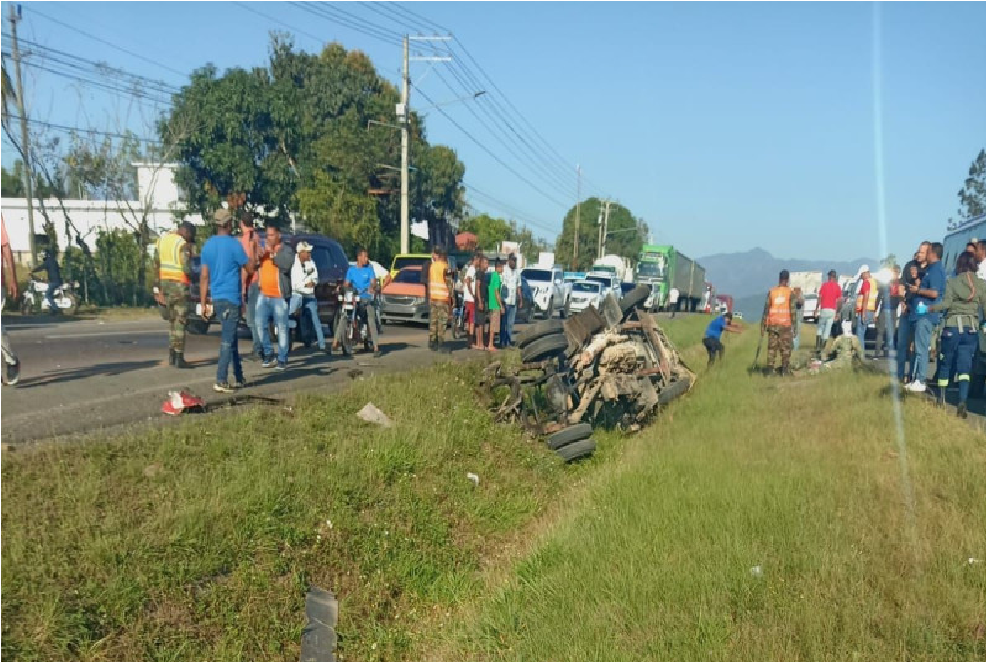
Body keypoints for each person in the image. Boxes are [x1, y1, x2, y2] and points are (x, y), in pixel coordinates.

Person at [200, 209, 255, 393]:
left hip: (217, 298)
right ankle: (221, 379)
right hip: (231, 297)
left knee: (231, 338)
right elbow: (250, 267)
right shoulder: (234, 245)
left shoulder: (207, 245)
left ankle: (238, 375)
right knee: (227, 339)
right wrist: (253, 248)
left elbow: (204, 277)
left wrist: (204, 302)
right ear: (229, 224)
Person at [931, 252, 986, 417]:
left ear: (959, 264)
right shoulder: (982, 284)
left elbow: (946, 304)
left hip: (952, 328)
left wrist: (929, 308)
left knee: (946, 363)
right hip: (971, 329)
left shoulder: (952, 282)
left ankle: (941, 400)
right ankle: (962, 402)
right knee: (965, 367)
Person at [153, 221, 196, 368]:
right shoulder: (181, 243)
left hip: (165, 285)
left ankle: (171, 355)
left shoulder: (162, 240)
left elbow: (156, 265)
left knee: (172, 321)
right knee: (180, 321)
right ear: (187, 232)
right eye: (191, 237)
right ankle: (179, 357)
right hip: (179, 285)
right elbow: (186, 267)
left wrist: (156, 288)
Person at [904, 242, 945, 394]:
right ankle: (915, 378)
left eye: (925, 252)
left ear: (932, 253)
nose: (923, 255)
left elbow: (935, 293)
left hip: (926, 315)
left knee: (921, 349)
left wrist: (919, 290)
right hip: (920, 314)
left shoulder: (936, 271)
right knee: (917, 348)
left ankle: (921, 380)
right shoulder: (930, 270)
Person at [255, 225, 295, 370]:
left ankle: (282, 358)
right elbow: (254, 265)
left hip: (279, 295)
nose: (268, 238)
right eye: (267, 235)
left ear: (278, 235)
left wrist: (273, 254)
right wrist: (258, 255)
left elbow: (286, 265)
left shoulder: (286, 250)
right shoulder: (264, 251)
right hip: (263, 294)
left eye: (271, 235)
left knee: (282, 328)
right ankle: (268, 353)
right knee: (259, 324)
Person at [334, 247, 380, 357]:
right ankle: (335, 342)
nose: (367, 259)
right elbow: (347, 284)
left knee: (371, 318)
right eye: (365, 256)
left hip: (366, 298)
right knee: (344, 316)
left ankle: (376, 347)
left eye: (367, 257)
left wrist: (372, 287)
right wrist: (342, 288)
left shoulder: (369, 269)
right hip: (354, 297)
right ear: (359, 257)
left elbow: (373, 282)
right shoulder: (351, 270)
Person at [289, 241, 326, 352]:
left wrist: (312, 283)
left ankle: (322, 345)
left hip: (309, 296)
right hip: (296, 295)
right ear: (300, 252)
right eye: (307, 252)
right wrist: (306, 284)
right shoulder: (293, 264)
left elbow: (315, 278)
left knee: (315, 319)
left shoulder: (311, 263)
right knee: (290, 316)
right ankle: (288, 343)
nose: (309, 254)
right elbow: (295, 284)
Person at [761, 270, 796, 375]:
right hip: (785, 325)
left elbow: (766, 309)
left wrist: (763, 326)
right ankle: (785, 370)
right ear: (787, 280)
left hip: (772, 324)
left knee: (772, 348)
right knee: (785, 349)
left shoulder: (772, 291)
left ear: (779, 279)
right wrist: (795, 327)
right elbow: (793, 311)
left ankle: (769, 370)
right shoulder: (790, 292)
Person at [239, 213, 263, 360]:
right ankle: (260, 347)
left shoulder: (246, 239)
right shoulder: (256, 236)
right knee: (256, 317)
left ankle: (258, 349)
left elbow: (247, 264)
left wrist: (242, 288)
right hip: (258, 280)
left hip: (251, 281)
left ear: (242, 223)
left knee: (251, 319)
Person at [422, 246, 454, 352]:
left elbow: (429, 283)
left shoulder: (432, 266)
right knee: (442, 322)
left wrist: (430, 296)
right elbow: (449, 284)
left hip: (433, 298)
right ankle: (441, 343)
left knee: (433, 321)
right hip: (443, 298)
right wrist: (452, 298)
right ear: (444, 256)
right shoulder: (446, 267)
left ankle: (432, 341)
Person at [816, 270, 842, 354]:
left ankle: (818, 346)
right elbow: (839, 301)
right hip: (832, 310)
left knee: (820, 327)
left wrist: (816, 308)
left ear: (830, 277)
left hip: (824, 309)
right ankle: (823, 348)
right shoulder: (837, 287)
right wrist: (838, 312)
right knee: (827, 330)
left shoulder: (824, 285)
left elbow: (820, 298)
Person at [500, 253, 523, 347]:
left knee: (510, 324)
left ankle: (508, 342)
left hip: (513, 302)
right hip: (505, 301)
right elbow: (500, 285)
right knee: (503, 323)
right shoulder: (504, 270)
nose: (513, 262)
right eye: (512, 260)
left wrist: (520, 299)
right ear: (509, 260)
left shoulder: (517, 272)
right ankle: (502, 341)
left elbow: (518, 287)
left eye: (515, 260)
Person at [854, 265, 878, 356]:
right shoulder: (873, 282)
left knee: (860, 334)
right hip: (870, 310)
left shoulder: (866, 282)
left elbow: (866, 296)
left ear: (865, 273)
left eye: (861, 275)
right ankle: (861, 354)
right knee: (862, 332)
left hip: (865, 311)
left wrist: (863, 312)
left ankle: (860, 355)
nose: (860, 277)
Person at [30, 248, 62, 313]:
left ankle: (55, 308)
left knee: (48, 295)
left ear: (46, 255)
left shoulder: (47, 262)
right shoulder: (54, 261)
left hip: (54, 282)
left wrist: (32, 271)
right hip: (57, 280)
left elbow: (41, 268)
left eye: (43, 255)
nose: (43, 257)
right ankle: (51, 308)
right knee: (50, 293)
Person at [487, 258, 504, 351]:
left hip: (491, 303)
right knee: (494, 326)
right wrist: (501, 306)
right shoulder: (497, 277)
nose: (503, 269)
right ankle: (490, 344)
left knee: (491, 325)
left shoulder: (492, 275)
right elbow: (497, 292)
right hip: (495, 305)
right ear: (498, 267)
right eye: (502, 267)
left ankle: (490, 343)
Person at [473, 255, 489, 350]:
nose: (487, 265)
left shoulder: (483, 273)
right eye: (486, 263)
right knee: (481, 323)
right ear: (482, 263)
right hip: (480, 300)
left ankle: (479, 343)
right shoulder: (479, 273)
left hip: (481, 299)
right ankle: (480, 343)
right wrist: (479, 300)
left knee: (480, 322)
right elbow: (477, 287)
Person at [463, 252, 479, 338]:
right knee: (471, 320)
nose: (479, 262)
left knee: (469, 320)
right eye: (478, 260)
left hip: (468, 298)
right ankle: (470, 339)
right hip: (470, 299)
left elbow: (466, 281)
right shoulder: (472, 269)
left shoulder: (470, 269)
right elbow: (468, 281)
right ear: (475, 260)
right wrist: (472, 293)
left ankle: (470, 339)